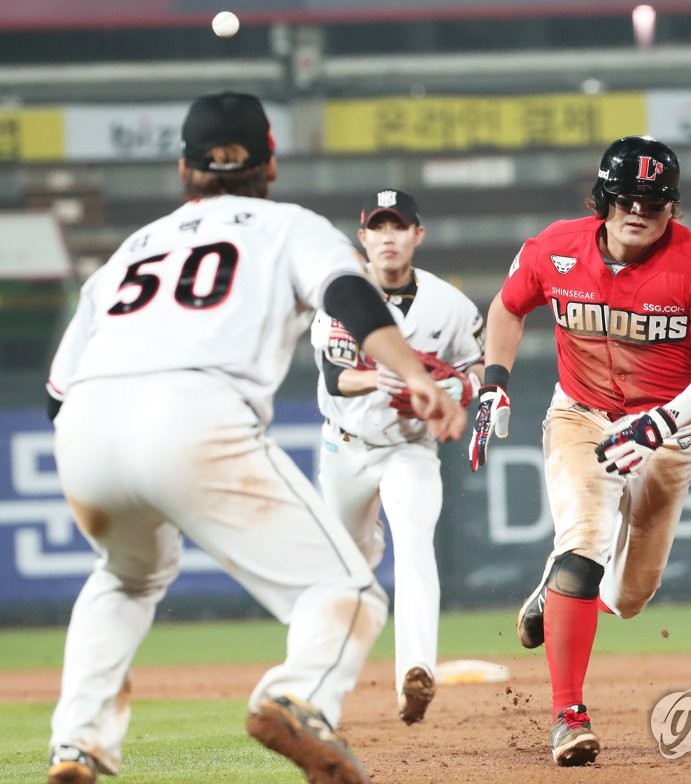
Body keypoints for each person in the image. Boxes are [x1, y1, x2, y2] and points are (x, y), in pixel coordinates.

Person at [42, 91, 464, 784]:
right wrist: (410, 371)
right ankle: (295, 694)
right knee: (348, 593)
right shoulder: (289, 225)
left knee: (124, 577)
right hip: (195, 411)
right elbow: (348, 296)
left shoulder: (131, 249)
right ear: (270, 165)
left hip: (86, 426)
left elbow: (56, 393)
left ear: (184, 169)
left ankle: (77, 744)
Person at [468, 135, 691, 766]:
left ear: (672, 210)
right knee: (583, 547)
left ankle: (556, 597)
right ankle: (568, 714)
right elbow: (507, 306)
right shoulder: (555, 247)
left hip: (667, 428)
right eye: (626, 198)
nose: (638, 213)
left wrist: (664, 420)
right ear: (603, 199)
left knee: (629, 596)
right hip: (582, 413)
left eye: (654, 203)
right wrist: (495, 382)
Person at [310, 188, 484, 724]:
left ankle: (417, 670)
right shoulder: (344, 294)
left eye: (399, 226)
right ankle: (321, 682)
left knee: (414, 543)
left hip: (410, 447)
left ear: (417, 235)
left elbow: (477, 365)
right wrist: (381, 375)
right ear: (363, 238)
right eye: (378, 227)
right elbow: (335, 377)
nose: (389, 236)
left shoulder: (449, 305)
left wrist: (462, 390)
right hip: (346, 447)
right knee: (346, 567)